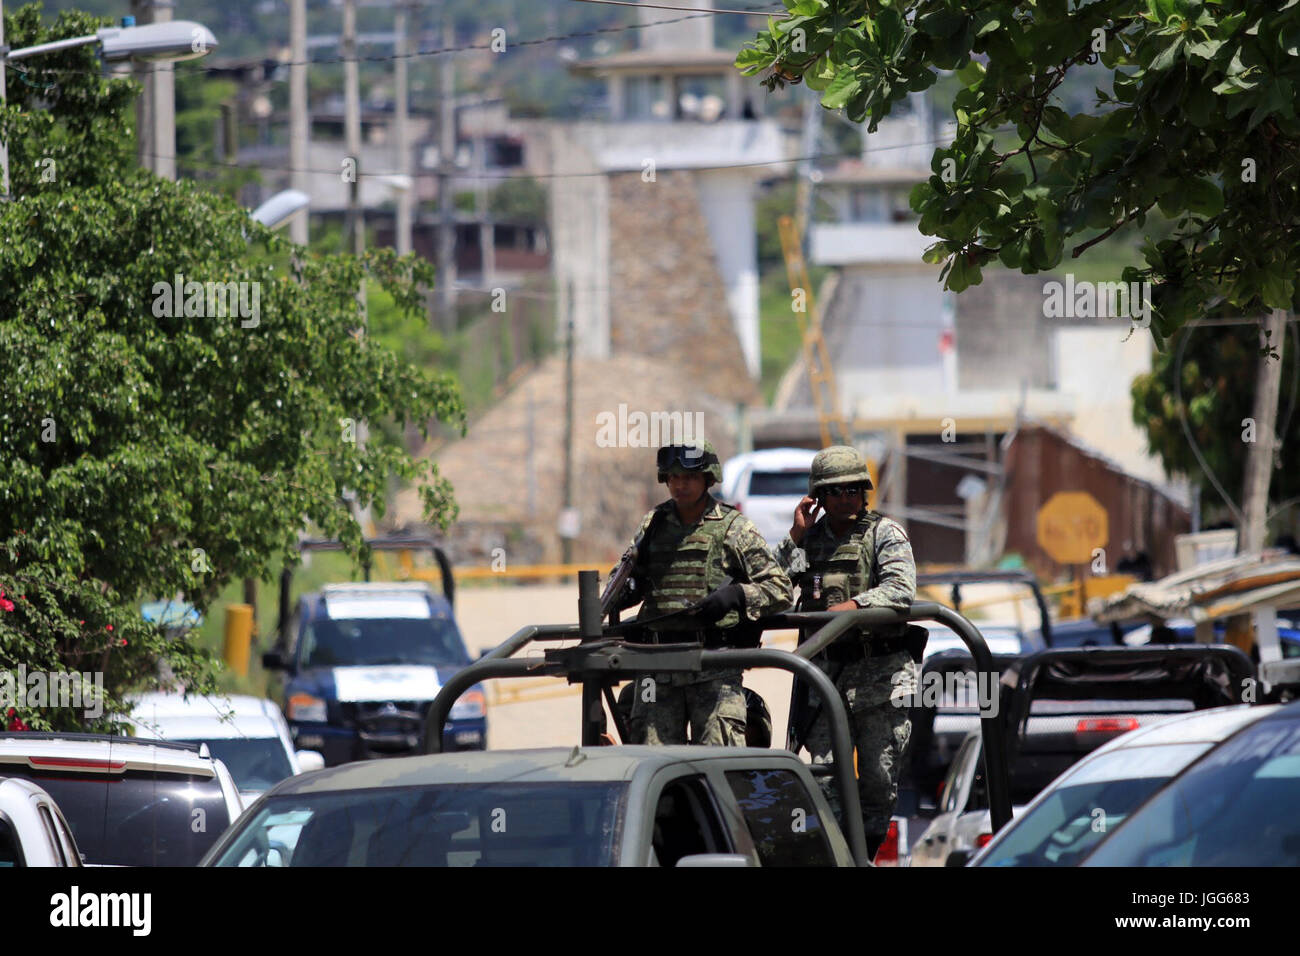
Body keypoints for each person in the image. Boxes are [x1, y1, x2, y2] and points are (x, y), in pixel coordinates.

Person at [774, 445, 919, 857]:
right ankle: (837, 855)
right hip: (826, 678)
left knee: (878, 776)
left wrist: (850, 609)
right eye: (834, 491)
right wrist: (796, 534)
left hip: (879, 677)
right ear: (818, 496)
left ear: (864, 491)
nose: (845, 498)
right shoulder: (810, 542)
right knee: (824, 777)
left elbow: (899, 590)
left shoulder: (884, 533)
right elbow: (768, 586)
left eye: (853, 489)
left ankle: (864, 856)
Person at [616, 440, 792, 746]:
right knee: (651, 760)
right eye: (673, 478)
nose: (680, 485)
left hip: (714, 667)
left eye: (688, 478)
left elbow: (780, 590)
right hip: (657, 668)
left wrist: (737, 595)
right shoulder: (653, 523)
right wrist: (626, 590)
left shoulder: (733, 527)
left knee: (718, 762)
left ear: (707, 480)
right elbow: (628, 577)